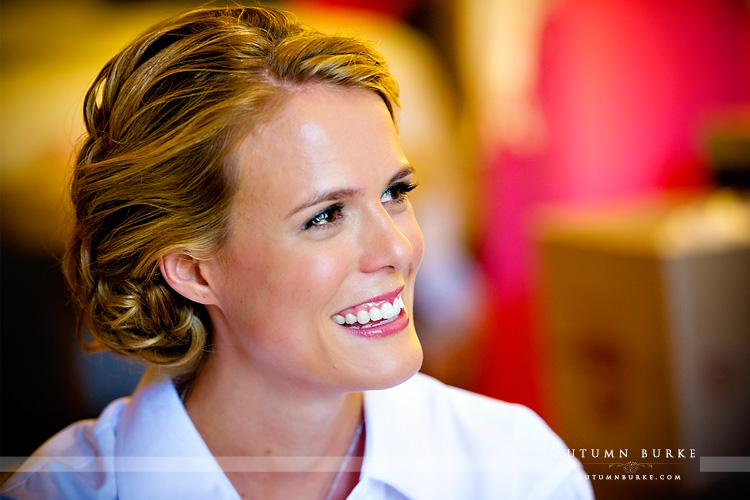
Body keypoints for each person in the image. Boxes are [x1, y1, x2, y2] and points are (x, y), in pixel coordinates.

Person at [1, 6, 593, 500]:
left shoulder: (514, 469)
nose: (397, 247)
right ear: (191, 269)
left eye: (394, 193)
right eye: (325, 216)